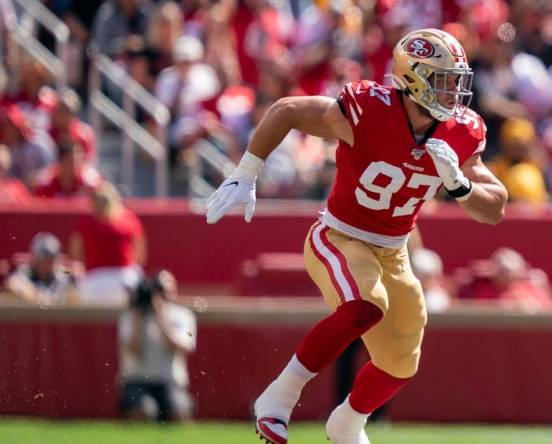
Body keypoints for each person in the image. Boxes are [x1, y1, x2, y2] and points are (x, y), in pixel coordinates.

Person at [205, 28, 507, 444]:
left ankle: (346, 424)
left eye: (457, 80)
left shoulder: (460, 130)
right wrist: (247, 171)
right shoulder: (370, 108)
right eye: (443, 79)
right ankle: (278, 398)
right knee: (367, 305)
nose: (454, 91)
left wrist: (461, 186)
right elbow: (288, 109)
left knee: (401, 363)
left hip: (394, 251)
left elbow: (496, 206)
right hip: (339, 237)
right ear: (414, 77)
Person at [118, 270, 196, 422]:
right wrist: (138, 318)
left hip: (169, 382)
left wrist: (161, 316)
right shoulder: (131, 316)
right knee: (144, 412)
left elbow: (181, 347)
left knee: (178, 413)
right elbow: (134, 351)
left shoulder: (183, 316)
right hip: (137, 381)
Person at [69, 183, 146, 306]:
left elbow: (75, 254)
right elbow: (140, 256)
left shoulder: (85, 222)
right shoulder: (130, 219)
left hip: (93, 284)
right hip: (125, 282)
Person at [4, 232, 76, 306]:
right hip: (32, 315)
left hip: (59, 316)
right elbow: (12, 282)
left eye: (50, 260)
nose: (47, 264)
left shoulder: (63, 272)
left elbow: (74, 287)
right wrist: (36, 296)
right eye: (43, 260)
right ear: (35, 259)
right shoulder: (25, 271)